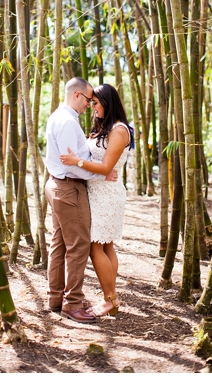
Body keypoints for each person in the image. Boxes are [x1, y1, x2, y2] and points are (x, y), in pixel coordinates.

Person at [45, 77, 118, 324]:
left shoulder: (59, 116)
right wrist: (101, 172)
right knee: (79, 246)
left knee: (60, 244)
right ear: (77, 95)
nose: (90, 105)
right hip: (69, 188)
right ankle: (72, 303)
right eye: (88, 99)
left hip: (57, 184)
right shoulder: (67, 122)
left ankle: (56, 297)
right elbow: (73, 164)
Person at [60, 83, 133, 317]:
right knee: (106, 245)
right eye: (91, 103)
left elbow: (106, 167)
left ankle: (110, 299)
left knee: (95, 247)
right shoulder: (105, 128)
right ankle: (112, 298)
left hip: (107, 194)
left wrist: (76, 162)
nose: (93, 107)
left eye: (96, 103)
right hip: (97, 190)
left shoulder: (120, 130)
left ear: (108, 102)